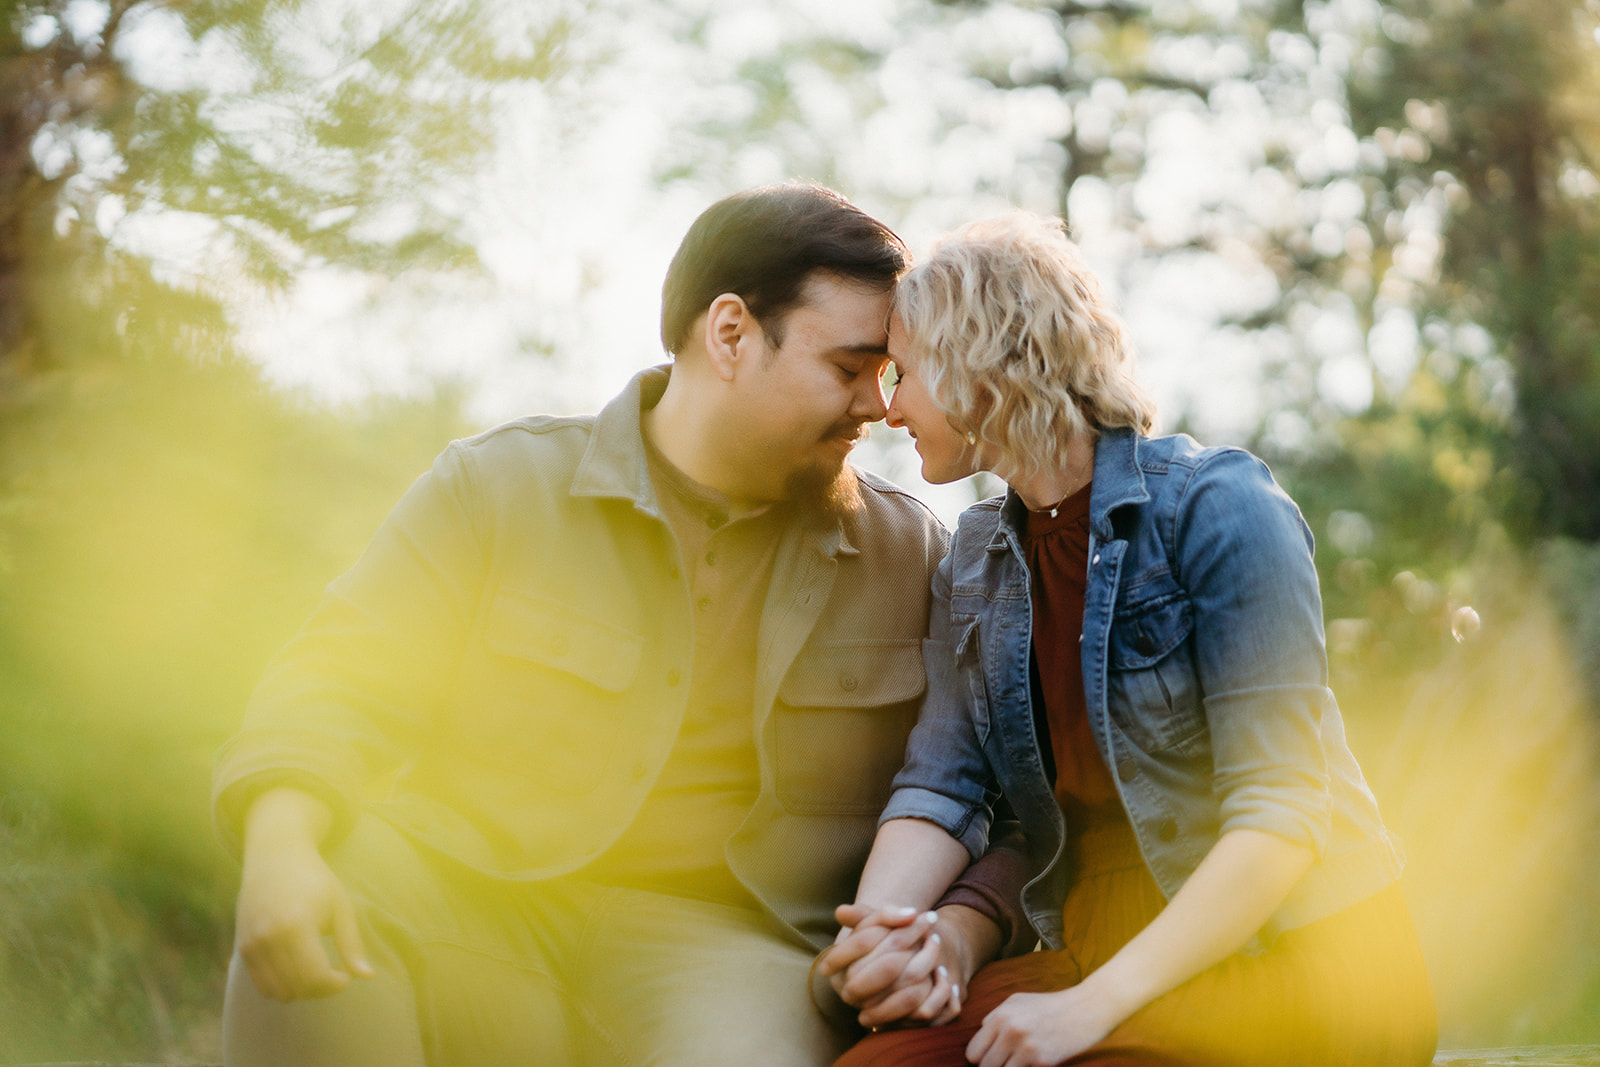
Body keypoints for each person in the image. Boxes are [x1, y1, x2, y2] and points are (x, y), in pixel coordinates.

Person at [211, 183, 1027, 1067]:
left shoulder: (917, 557)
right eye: (848, 367)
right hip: (472, 903)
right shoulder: (497, 488)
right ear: (730, 333)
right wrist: (279, 848)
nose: (878, 405)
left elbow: (1010, 799)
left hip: (735, 957)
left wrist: (957, 929)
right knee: (327, 890)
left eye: (889, 374)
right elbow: (332, 682)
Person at [820, 212, 1438, 1067]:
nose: (890, 409)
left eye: (906, 373)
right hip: (1094, 947)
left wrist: (1089, 1009)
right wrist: (879, 935)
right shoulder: (976, 557)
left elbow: (1281, 812)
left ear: (977, 367)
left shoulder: (1219, 507)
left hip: (1297, 957)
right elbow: (944, 780)